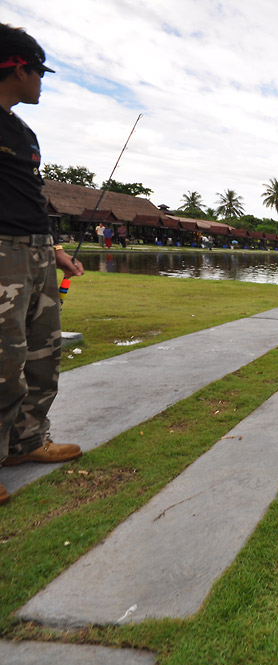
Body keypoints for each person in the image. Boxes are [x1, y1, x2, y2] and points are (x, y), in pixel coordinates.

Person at [1, 23, 85, 505]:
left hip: (36, 251)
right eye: (40, 72)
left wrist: (53, 250)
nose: (42, 82)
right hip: (2, 251)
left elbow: (29, 197)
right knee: (1, 357)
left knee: (41, 351)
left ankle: (26, 442)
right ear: (17, 66)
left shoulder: (21, 130)